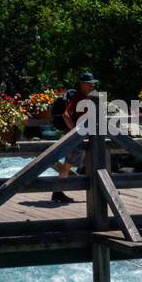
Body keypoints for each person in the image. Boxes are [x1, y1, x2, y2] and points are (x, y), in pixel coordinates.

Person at [50, 71, 97, 205]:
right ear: (82, 84)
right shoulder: (78, 98)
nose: (92, 86)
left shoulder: (85, 97)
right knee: (68, 164)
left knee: (86, 160)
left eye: (93, 84)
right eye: (89, 84)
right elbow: (65, 115)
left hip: (84, 135)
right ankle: (57, 192)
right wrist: (75, 132)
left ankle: (60, 191)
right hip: (78, 137)